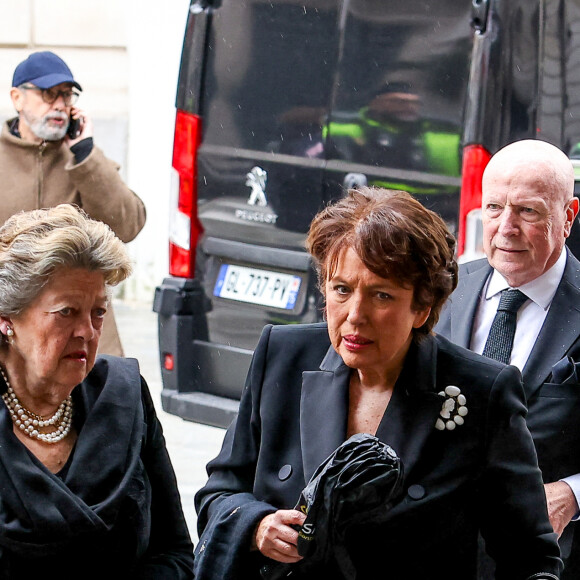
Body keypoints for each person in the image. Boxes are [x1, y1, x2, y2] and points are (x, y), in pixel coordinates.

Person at [193, 186, 562, 579]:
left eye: (381, 295)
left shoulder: (483, 391)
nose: (355, 315)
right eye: (341, 289)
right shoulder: (281, 356)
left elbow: (530, 557)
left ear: (422, 307)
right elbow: (219, 493)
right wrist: (257, 526)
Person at [0, 204, 193, 578]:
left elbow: (176, 552)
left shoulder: (124, 396)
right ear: (7, 319)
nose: (87, 331)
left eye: (98, 312)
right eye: (66, 312)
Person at [435, 139, 580, 577]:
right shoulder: (444, 290)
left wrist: (573, 494)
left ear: (568, 217)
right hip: (437, 548)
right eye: (494, 207)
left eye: (528, 211)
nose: (505, 228)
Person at [0, 50, 147, 356]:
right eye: (48, 94)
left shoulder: (84, 160)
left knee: (103, 398)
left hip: (80, 324)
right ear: (17, 98)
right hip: (9, 322)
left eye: (67, 96)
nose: (59, 105)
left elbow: (129, 225)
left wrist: (85, 155)